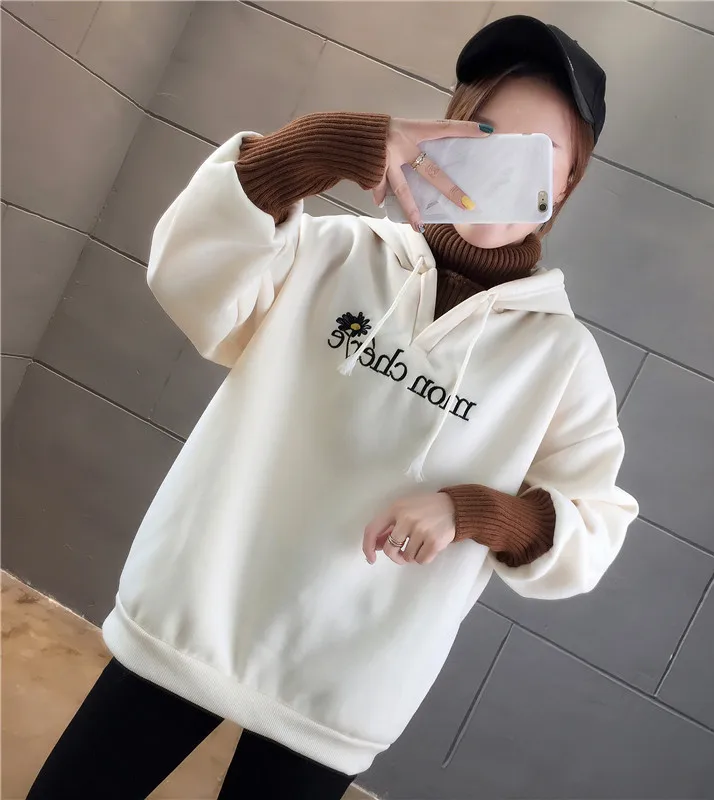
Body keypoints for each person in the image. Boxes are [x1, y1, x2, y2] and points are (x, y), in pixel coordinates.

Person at [29, 14, 637, 800]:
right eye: (485, 132)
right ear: (446, 129)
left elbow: (595, 527)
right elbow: (190, 274)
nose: (502, 161)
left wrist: (477, 512)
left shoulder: (559, 360)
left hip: (345, 683)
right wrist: (323, 147)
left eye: (539, 150)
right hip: (198, 614)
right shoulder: (333, 252)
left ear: (568, 183)